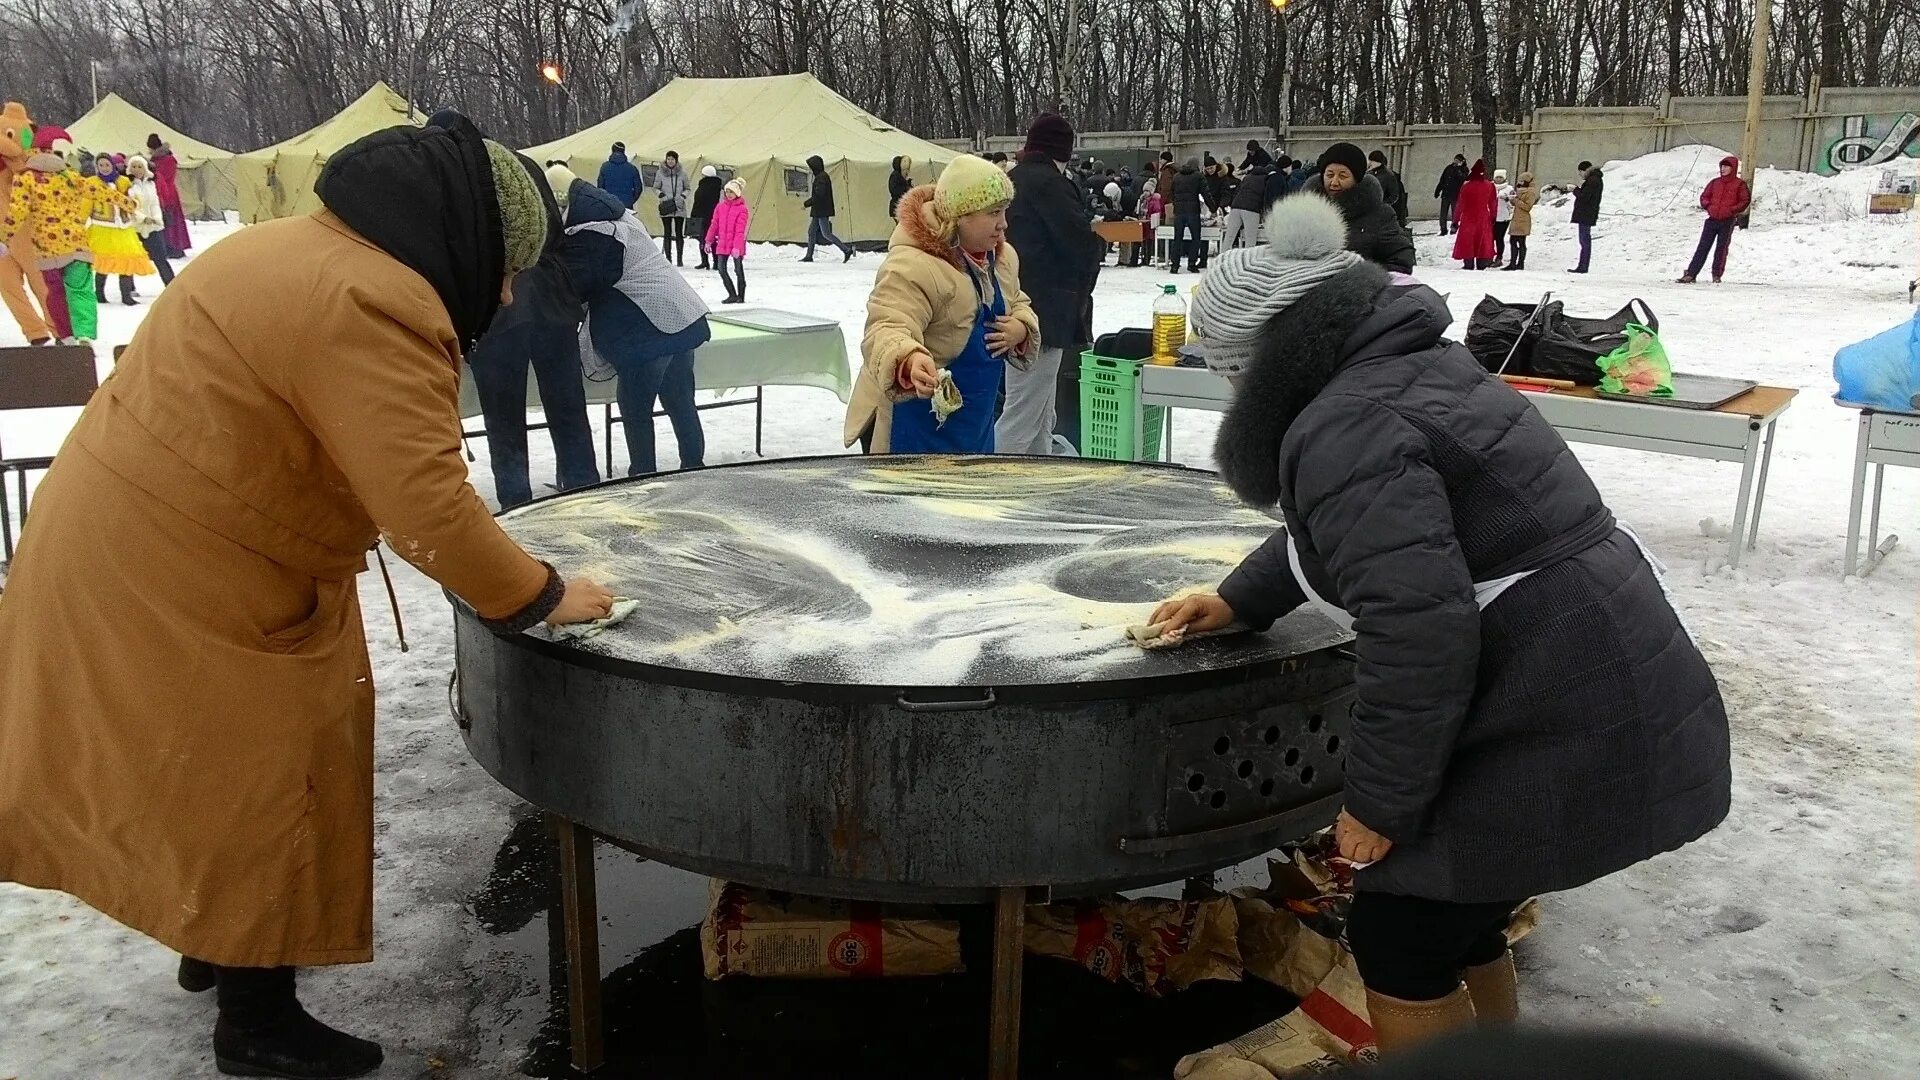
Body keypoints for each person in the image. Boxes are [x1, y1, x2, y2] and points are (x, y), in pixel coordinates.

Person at [0, 110, 614, 1080]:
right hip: (194, 572)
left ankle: (216, 938)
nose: (501, 294)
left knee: (196, 768)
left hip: (122, 543)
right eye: (506, 267)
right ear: (468, 237)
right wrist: (539, 596)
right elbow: (426, 505)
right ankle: (259, 1023)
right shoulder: (374, 300)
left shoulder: (289, 246)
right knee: (269, 773)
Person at [1166, 192, 1730, 1056]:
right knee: (1463, 913)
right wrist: (1242, 599)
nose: (1230, 389)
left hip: (1555, 693)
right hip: (1590, 662)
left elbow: (1417, 627)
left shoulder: (1347, 420)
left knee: (1403, 933)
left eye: (1232, 370)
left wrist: (1380, 805)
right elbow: (1376, 535)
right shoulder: (1405, 369)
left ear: (1271, 359)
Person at [845, 155, 1039, 455]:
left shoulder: (1001, 258)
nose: (1003, 225)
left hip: (973, 423)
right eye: (994, 213)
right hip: (915, 423)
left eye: (1005, 212)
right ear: (960, 216)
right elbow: (886, 325)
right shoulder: (913, 264)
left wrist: (1020, 327)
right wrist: (907, 359)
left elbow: (1018, 301)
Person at [547, 165, 710, 476]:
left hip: (650, 327)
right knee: (680, 402)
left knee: (635, 408)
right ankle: (694, 469)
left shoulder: (594, 233)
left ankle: (643, 476)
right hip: (682, 315)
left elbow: (574, 288)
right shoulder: (621, 218)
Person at [465, 234, 602, 508]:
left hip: (497, 307)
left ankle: (519, 503)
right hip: (549, 299)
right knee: (567, 410)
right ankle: (582, 489)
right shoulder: (535, 191)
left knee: (505, 421)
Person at [1004, 115, 1103, 455]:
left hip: (1016, 304)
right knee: (1024, 411)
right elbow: (1078, 242)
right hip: (1044, 310)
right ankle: (997, 486)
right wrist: (1096, 248)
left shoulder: (1013, 179)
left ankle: (1035, 480)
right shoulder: (1051, 184)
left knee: (1041, 411)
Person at [12, 126, 99, 343]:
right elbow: (98, 191)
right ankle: (85, 332)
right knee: (81, 290)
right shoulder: (69, 176)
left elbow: (17, 212)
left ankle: (66, 334)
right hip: (76, 245)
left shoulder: (25, 178)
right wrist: (130, 203)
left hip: (46, 250)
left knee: (55, 293)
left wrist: (4, 236)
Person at [1303, 142, 1415, 273]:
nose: (1334, 182)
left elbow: (1400, 260)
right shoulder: (1304, 210)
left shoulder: (1380, 214)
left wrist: (1363, 281)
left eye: (1343, 176)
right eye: (1329, 175)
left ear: (1356, 179)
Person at [86, 153, 150, 306]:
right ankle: (99, 294)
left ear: (113, 166)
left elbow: (135, 201)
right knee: (104, 262)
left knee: (126, 260)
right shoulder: (92, 183)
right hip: (102, 227)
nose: (104, 168)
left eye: (107, 165)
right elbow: (86, 204)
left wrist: (133, 204)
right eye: (101, 165)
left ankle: (126, 295)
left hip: (123, 227)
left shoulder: (124, 182)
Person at [1680, 155, 1751, 284]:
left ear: (1733, 168)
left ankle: (1716, 275)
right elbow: (1704, 196)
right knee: (1702, 247)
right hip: (1712, 220)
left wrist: (1731, 210)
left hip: (1727, 221)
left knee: (1721, 249)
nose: (1723, 169)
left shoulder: (1739, 184)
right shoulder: (1715, 182)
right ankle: (1691, 273)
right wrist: (1708, 206)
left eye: (1726, 167)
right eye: (1722, 166)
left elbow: (1745, 200)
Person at [125, 155, 175, 286]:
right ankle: (128, 288)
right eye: (134, 167)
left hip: (152, 225)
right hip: (135, 225)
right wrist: (142, 218)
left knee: (160, 256)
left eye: (139, 166)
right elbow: (129, 205)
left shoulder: (151, 183)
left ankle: (171, 284)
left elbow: (155, 203)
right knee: (131, 257)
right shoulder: (127, 184)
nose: (137, 170)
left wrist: (156, 218)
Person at [801, 154, 854, 263]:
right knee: (811, 231)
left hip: (821, 210)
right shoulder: (821, 176)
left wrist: (806, 204)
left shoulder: (821, 178)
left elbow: (819, 195)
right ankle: (809, 255)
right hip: (818, 210)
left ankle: (846, 249)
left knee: (826, 233)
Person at [145, 133, 190, 258]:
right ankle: (169, 246)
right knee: (168, 222)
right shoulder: (159, 160)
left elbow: (161, 177)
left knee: (170, 222)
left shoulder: (166, 161)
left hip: (167, 195)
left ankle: (174, 247)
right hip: (164, 193)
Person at [706, 178, 751, 304]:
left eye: (731, 192)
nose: (728, 194)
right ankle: (732, 294)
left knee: (738, 270)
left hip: (736, 244)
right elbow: (714, 225)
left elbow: (740, 231)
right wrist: (708, 240)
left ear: (737, 193)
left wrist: (737, 247)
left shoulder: (742, 209)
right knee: (721, 268)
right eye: (727, 192)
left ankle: (741, 295)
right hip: (723, 243)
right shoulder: (720, 207)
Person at [1168, 157, 1211, 274]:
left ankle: (1175, 265)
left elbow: (1171, 193)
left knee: (1177, 239)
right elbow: (1206, 193)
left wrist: (1176, 204)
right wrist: (1213, 208)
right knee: (1195, 238)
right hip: (1193, 212)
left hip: (1179, 212)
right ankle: (1192, 264)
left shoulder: (1176, 176)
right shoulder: (1198, 176)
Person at [1451, 160, 1497, 270]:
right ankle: (1482, 262)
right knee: (1482, 240)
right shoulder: (1489, 186)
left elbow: (1460, 204)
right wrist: (1493, 217)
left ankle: (1468, 262)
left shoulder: (1466, 186)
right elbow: (1493, 203)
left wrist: (1455, 220)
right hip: (1483, 217)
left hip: (1468, 217)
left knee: (1468, 240)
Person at [654, 150, 690, 267]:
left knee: (679, 233)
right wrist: (661, 195)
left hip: (679, 206)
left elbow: (688, 188)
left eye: (672, 159)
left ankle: (680, 259)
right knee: (667, 232)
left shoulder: (682, 173)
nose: (670, 161)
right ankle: (668, 259)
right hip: (666, 205)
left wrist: (683, 196)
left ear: (676, 160)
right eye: (668, 159)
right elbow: (655, 187)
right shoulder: (660, 173)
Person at [1569, 160, 1603, 273]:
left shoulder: (1592, 180)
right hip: (1588, 213)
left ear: (1584, 170)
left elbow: (1584, 197)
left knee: (1584, 241)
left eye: (1580, 173)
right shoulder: (1596, 179)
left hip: (1586, 214)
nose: (1580, 176)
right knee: (1584, 240)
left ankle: (1583, 266)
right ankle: (1583, 265)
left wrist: (1575, 190)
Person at [1223, 162, 1267, 250]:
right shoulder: (1265, 179)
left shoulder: (1246, 178)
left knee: (1230, 235)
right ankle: (1247, 259)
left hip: (1236, 206)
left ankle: (1222, 257)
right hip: (1252, 209)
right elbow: (1265, 196)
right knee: (1250, 238)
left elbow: (1237, 191)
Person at [687, 164, 724, 271]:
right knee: (711, 239)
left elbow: (699, 202)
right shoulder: (717, 186)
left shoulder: (704, 186)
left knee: (703, 239)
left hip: (702, 216)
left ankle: (705, 261)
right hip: (713, 216)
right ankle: (715, 262)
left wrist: (694, 214)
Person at [1502, 172, 1537, 271]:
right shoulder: (1520, 191)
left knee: (1521, 241)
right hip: (1516, 218)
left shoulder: (1530, 192)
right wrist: (1510, 199)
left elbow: (1527, 207)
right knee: (1513, 240)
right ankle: (1513, 262)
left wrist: (1516, 200)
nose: (1520, 183)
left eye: (1522, 181)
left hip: (1523, 219)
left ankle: (1519, 263)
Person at [596, 141, 641, 208]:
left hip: (609, 206)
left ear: (612, 151)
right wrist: (631, 201)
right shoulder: (632, 168)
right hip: (627, 206)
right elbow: (638, 189)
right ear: (623, 151)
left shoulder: (605, 167)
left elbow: (600, 187)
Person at [1368, 149, 1408, 226]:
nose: (1370, 163)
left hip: (1383, 211)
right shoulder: (1369, 174)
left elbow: (1394, 195)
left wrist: (1383, 205)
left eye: (1372, 160)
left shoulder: (1389, 176)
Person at [1434, 153, 1468, 235]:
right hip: (1446, 194)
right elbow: (1442, 180)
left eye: (1458, 160)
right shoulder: (1448, 168)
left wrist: (1458, 169)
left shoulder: (1464, 169)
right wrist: (1438, 190)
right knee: (1443, 213)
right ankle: (1443, 229)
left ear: (1462, 162)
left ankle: (1454, 228)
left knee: (1455, 213)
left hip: (1456, 195)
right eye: (1455, 160)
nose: (1455, 162)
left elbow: (1463, 179)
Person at [1491, 167, 1515, 266]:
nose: (1498, 179)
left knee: (1499, 238)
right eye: (1497, 177)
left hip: (1503, 217)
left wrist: (1507, 199)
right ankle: (1489, 256)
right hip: (1491, 216)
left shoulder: (1509, 189)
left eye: (1501, 177)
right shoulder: (1490, 186)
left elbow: (1513, 203)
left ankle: (1499, 257)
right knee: (1490, 238)